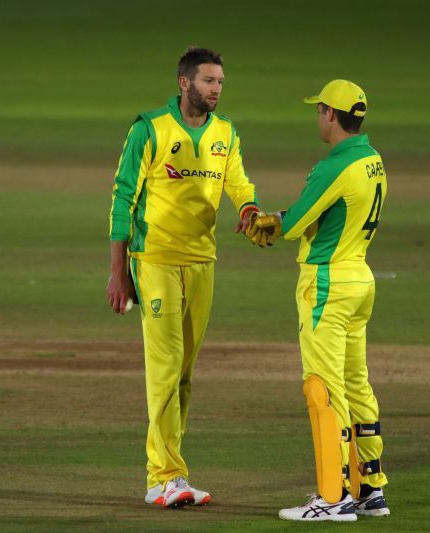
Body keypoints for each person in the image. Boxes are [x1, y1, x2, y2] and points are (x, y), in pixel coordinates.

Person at [106, 47, 260, 508]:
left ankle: (173, 472)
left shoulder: (226, 133)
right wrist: (119, 272)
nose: (215, 89)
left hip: (202, 262)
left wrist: (249, 208)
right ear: (183, 83)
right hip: (153, 259)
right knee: (166, 367)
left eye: (220, 83)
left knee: (185, 373)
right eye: (208, 81)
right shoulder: (149, 129)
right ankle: (164, 476)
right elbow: (121, 199)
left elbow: (238, 182)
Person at [247, 80, 390, 522]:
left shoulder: (333, 167)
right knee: (356, 387)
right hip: (360, 279)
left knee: (323, 390)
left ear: (331, 113)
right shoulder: (373, 160)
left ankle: (333, 496)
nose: (317, 117)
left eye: (319, 110)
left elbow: (296, 221)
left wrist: (269, 221)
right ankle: (369, 488)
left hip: (327, 284)